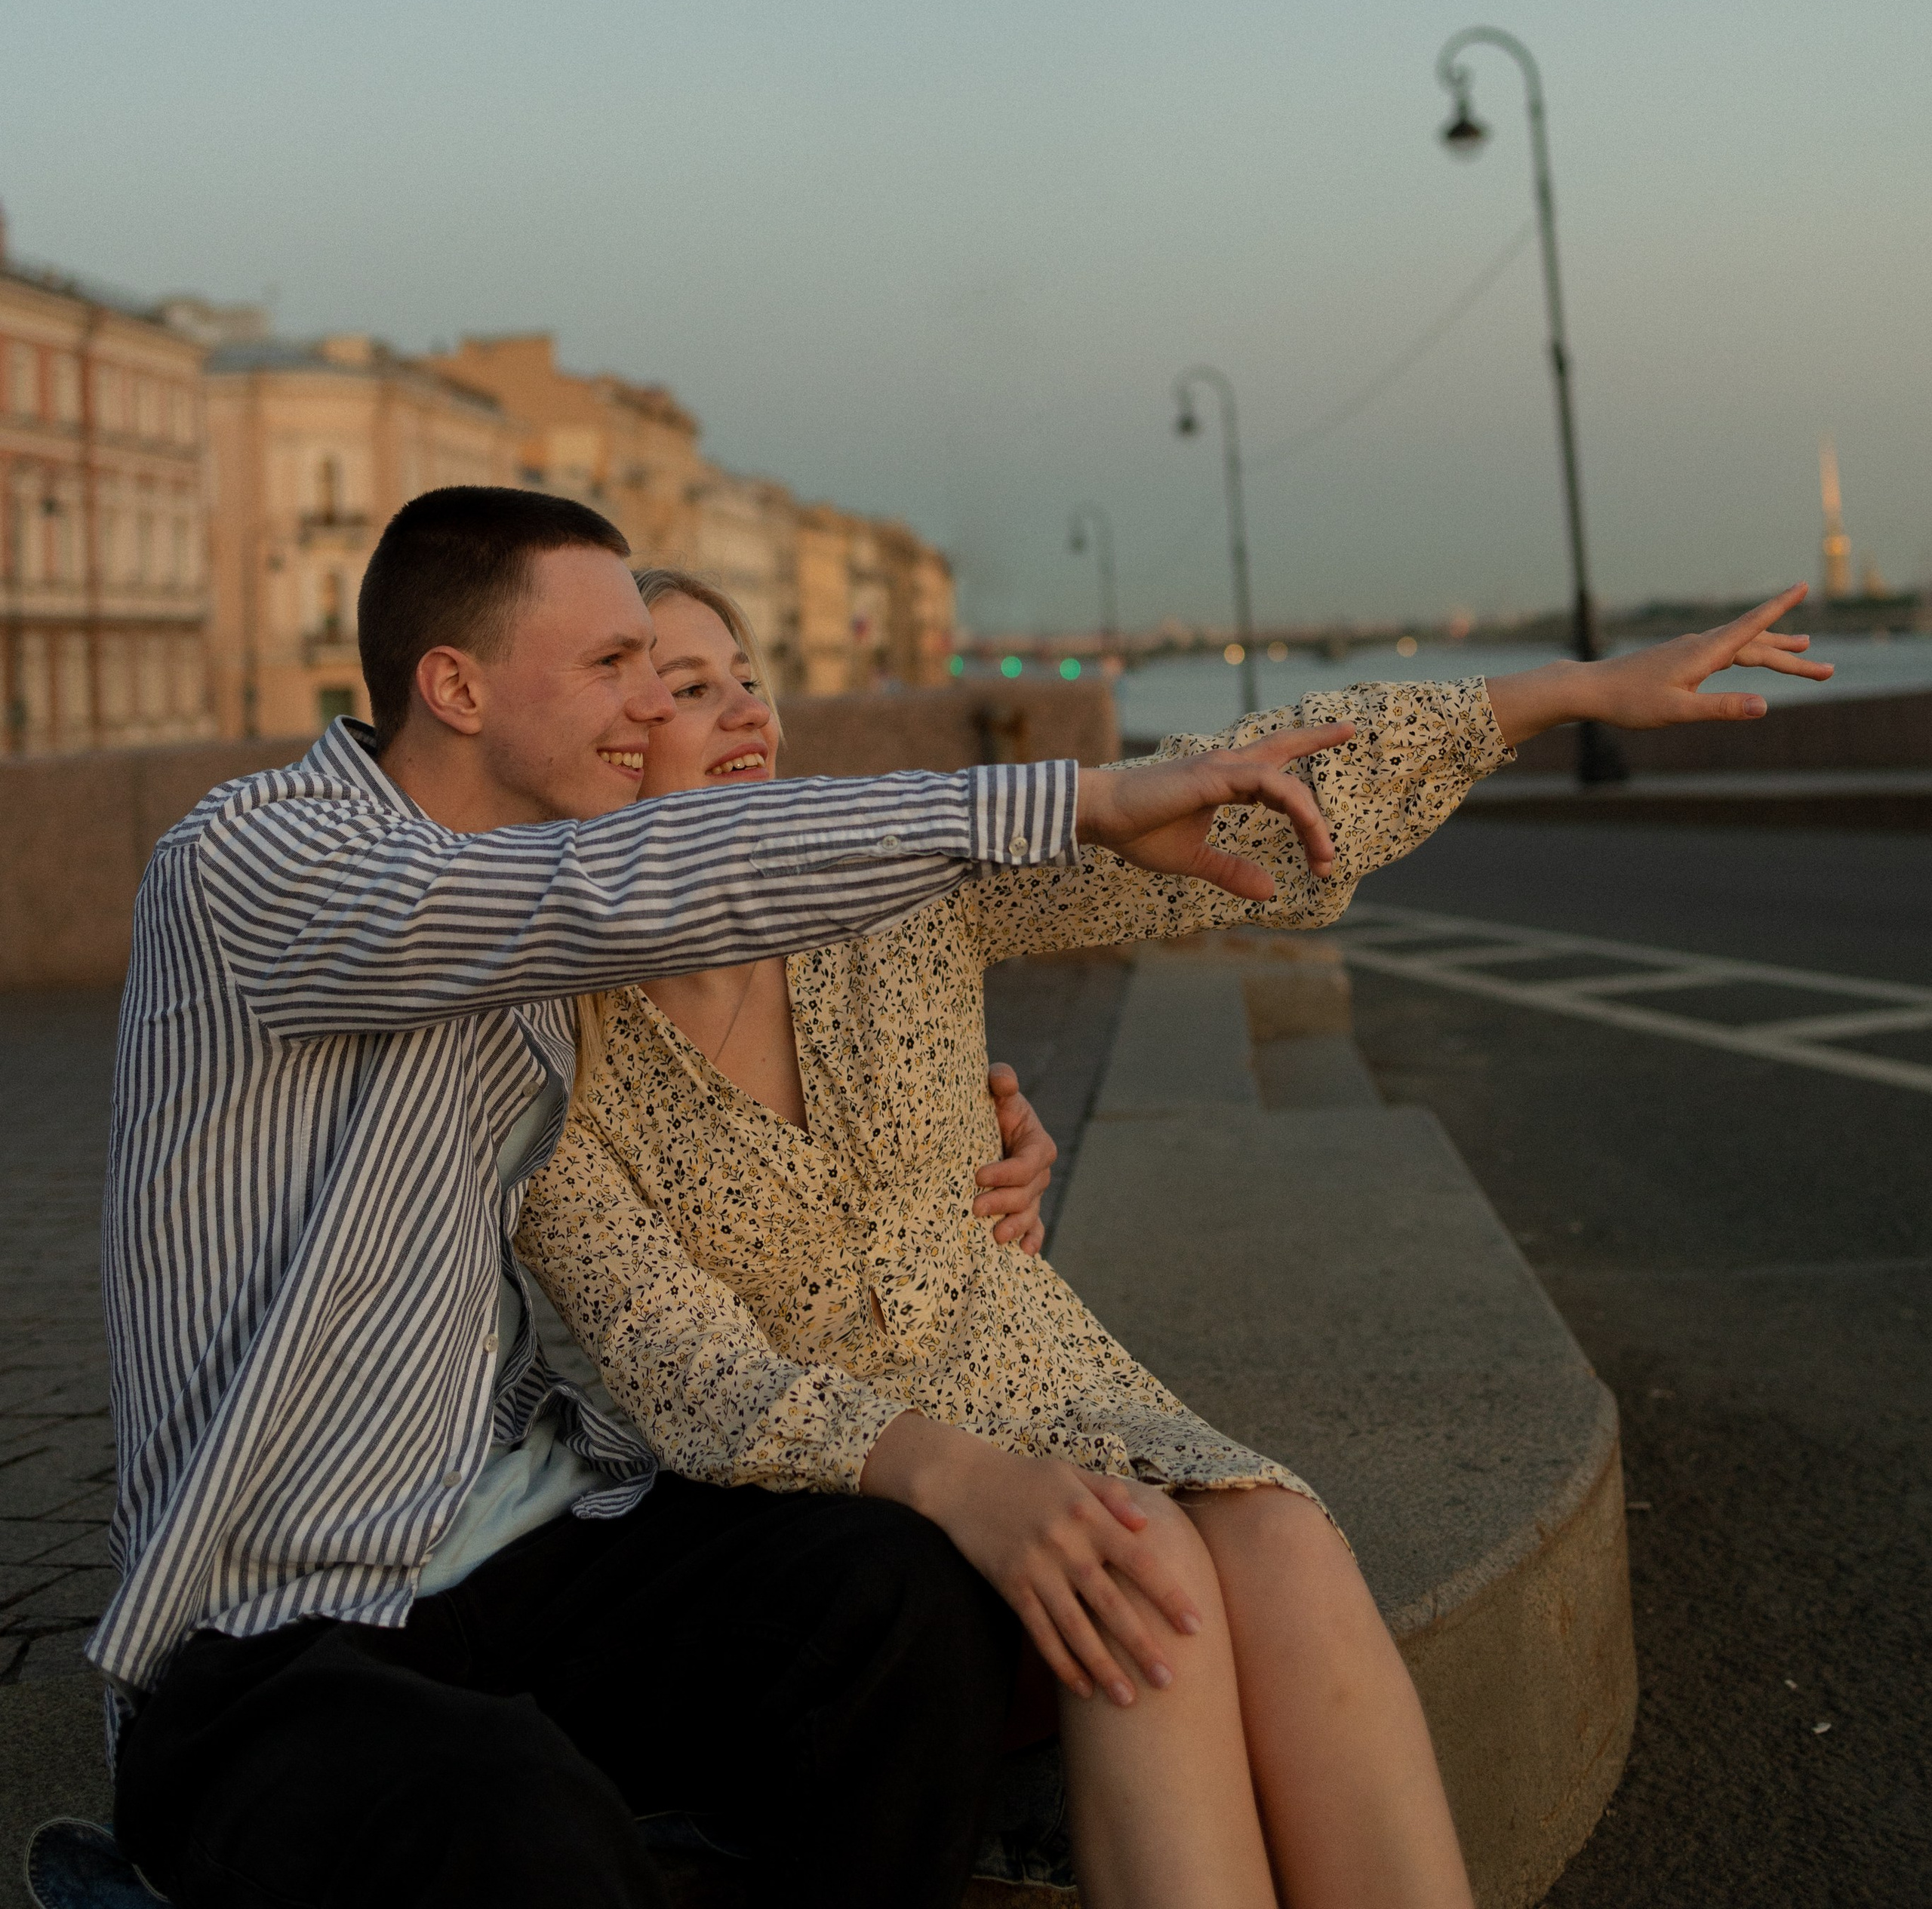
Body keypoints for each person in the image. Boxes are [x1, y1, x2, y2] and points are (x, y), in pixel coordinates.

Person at [94, 484, 1355, 1909]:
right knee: (512, 1816)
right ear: (453, 685)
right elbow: (608, 893)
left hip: (529, 1544)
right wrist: (1071, 799)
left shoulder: (555, 957)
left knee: (900, 1603)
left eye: (663, 669)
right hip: (272, 1624)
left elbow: (698, 1017)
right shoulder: (252, 860)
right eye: (614, 668)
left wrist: (971, 1149)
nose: (648, 710)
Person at [520, 570, 1832, 1909]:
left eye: (749, 675)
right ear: (613, 741)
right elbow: (681, 1367)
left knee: (1283, 1539)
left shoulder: (896, 890)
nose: (745, 707)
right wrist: (969, 1481)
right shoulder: (542, 1047)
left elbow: (1216, 794)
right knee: (1148, 1579)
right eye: (689, 688)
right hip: (838, 1508)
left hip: (1041, 1378)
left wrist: (1560, 694)